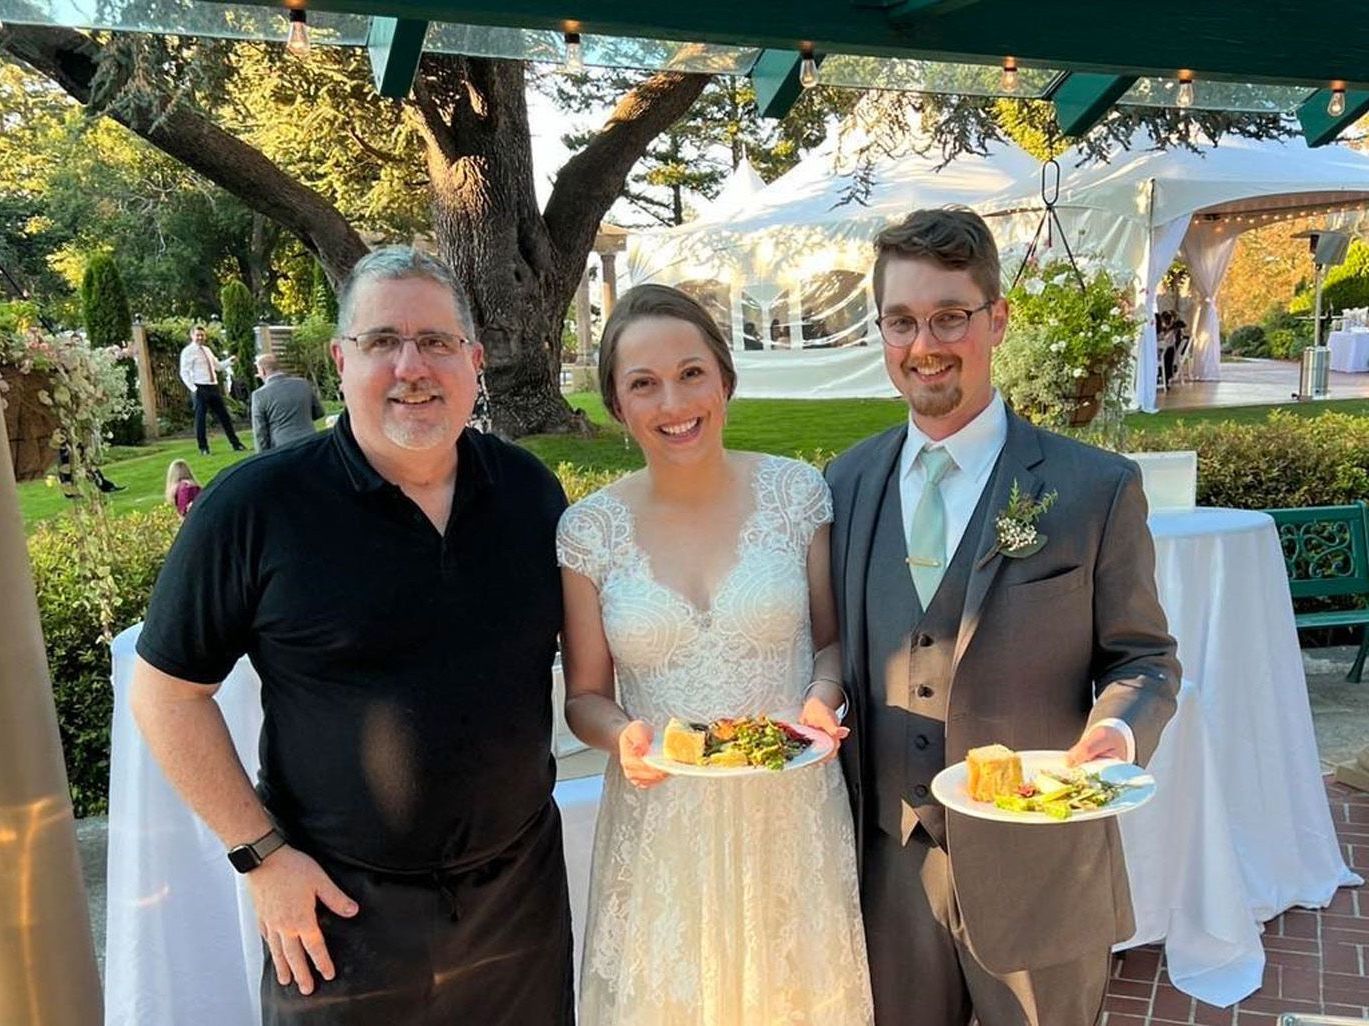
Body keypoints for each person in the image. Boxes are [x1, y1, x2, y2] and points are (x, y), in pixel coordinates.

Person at [131, 246, 574, 1025]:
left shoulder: (530, 493)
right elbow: (166, 696)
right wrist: (261, 857)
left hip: (519, 903)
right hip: (337, 915)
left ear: (472, 360)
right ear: (340, 360)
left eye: (436, 342)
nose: (413, 366)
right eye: (382, 342)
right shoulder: (256, 507)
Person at [825, 207, 1180, 1026]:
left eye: (950, 316)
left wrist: (1113, 738)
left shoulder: (1094, 486)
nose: (925, 345)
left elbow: (1144, 658)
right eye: (902, 321)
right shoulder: (843, 485)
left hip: (1039, 876)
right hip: (888, 867)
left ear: (997, 319)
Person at [559, 283, 873, 1026]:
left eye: (690, 372)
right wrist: (621, 736)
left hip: (787, 808)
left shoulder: (798, 495)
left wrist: (820, 703)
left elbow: (829, 645)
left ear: (724, 378)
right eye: (643, 384)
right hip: (662, 824)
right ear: (616, 403)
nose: (673, 402)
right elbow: (584, 698)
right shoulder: (588, 531)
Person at [179, 324, 247, 455]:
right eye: (197, 335)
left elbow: (217, 367)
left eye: (202, 335)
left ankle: (236, 444)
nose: (200, 337)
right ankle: (203, 447)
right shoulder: (187, 352)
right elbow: (184, 372)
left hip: (213, 386)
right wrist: (193, 389)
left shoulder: (207, 350)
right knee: (201, 419)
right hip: (200, 387)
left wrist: (229, 361)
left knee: (224, 416)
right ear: (192, 336)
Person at [251, 353, 326, 452]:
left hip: (282, 447)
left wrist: (262, 457)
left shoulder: (259, 395)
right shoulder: (303, 384)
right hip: (311, 442)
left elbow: (260, 432)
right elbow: (319, 412)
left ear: (263, 371)